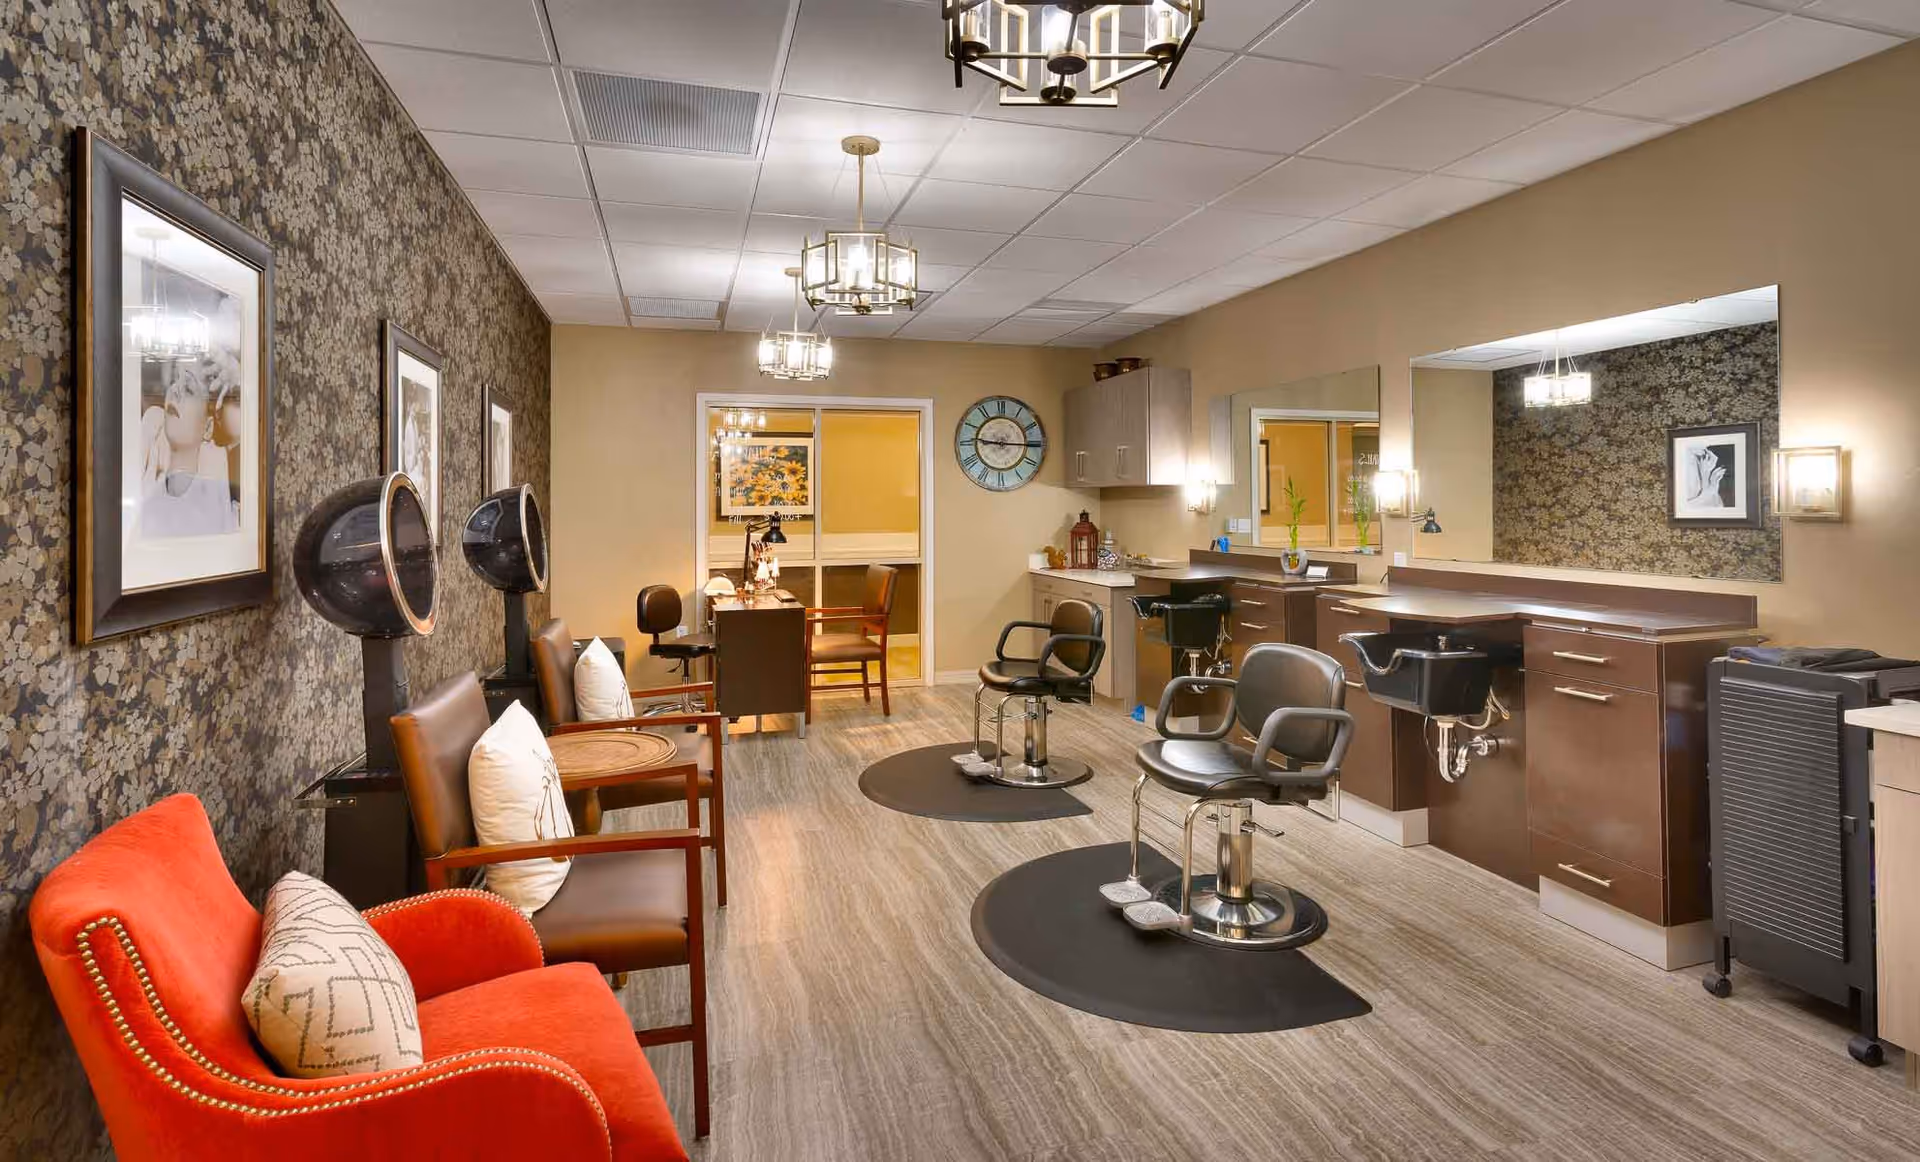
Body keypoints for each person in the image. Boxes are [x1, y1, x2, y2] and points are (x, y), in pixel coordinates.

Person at [135, 353, 241, 539]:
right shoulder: (145, 478)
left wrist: (240, 381)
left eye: (189, 390)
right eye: (175, 380)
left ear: (207, 428)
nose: (175, 390)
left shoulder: (223, 489)